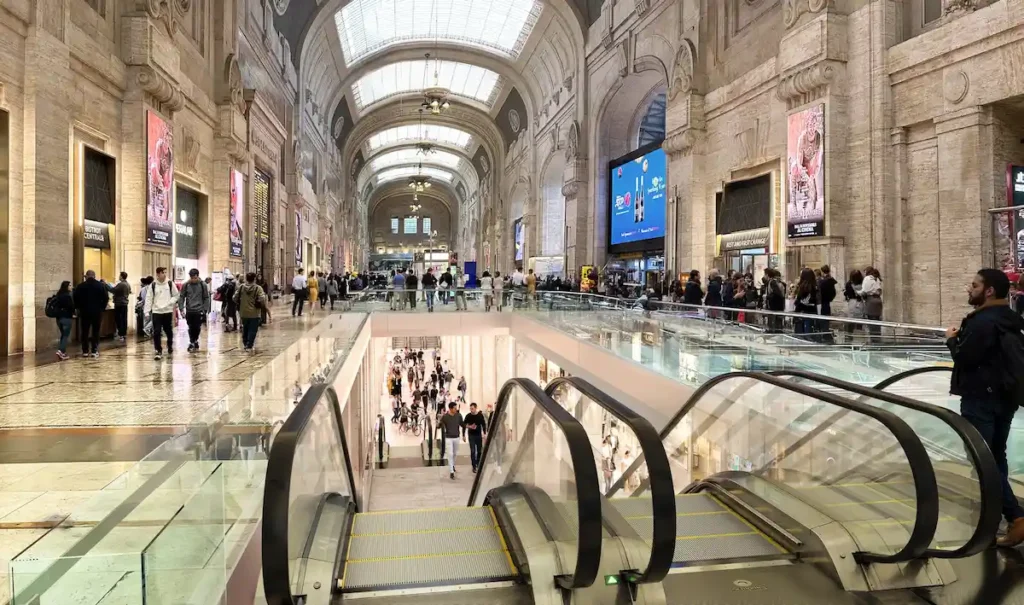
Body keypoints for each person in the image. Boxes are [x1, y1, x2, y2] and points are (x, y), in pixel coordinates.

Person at [946, 269, 1024, 546]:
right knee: (996, 455)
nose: (969, 289)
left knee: (982, 458)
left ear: (989, 291)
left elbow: (964, 359)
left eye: (974, 285)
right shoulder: (1010, 319)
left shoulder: (981, 321)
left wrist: (951, 339)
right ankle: (999, 513)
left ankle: (1016, 516)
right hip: (1005, 397)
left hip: (980, 398)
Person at [144, 267, 179, 360]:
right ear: (158, 274)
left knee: (168, 331)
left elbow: (176, 295)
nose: (165, 274)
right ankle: (158, 350)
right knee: (157, 331)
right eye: (163, 272)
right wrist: (147, 311)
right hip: (156, 311)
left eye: (165, 272)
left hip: (167, 311)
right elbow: (149, 298)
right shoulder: (153, 285)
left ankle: (170, 345)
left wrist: (170, 302)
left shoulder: (170, 283)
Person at [73, 270, 110, 358]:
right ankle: (94, 350)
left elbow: (75, 298)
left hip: (84, 312)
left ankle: (85, 351)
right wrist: (102, 308)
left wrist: (78, 308)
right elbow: (106, 298)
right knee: (96, 331)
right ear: (94, 276)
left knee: (85, 331)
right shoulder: (100, 285)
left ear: (86, 276)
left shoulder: (80, 286)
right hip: (97, 312)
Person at [235, 272, 272, 352]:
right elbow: (262, 298)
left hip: (243, 312)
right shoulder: (258, 288)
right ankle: (249, 345)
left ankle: (245, 343)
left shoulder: (241, 287)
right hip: (255, 313)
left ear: (246, 279)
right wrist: (259, 303)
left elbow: (235, 297)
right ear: (254, 279)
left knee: (245, 328)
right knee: (252, 330)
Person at [178, 269, 211, 353]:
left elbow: (206, 297)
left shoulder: (203, 285)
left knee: (197, 327)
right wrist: (181, 309)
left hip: (199, 310)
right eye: (192, 278)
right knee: (191, 327)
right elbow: (182, 297)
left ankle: (193, 341)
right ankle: (193, 341)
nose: (193, 279)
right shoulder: (186, 285)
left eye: (195, 277)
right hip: (189, 310)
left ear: (198, 276)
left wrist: (205, 309)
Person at [440, 402, 465, 480]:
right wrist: (439, 421)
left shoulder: (458, 415)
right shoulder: (445, 417)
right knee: (450, 454)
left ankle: (452, 465)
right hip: (448, 438)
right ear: (450, 409)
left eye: (456, 408)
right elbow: (439, 425)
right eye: (454, 408)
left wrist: (464, 434)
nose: (456, 409)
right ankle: (451, 471)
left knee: (455, 453)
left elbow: (462, 424)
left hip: (456, 437)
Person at [51, 281, 75, 360]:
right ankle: (60, 350)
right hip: (66, 318)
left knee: (63, 334)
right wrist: (73, 313)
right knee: (65, 335)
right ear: (66, 287)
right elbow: (71, 307)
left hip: (59, 318)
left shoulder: (58, 295)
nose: (71, 287)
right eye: (70, 285)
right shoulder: (67, 296)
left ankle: (63, 353)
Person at [793, 267, 819, 335]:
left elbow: (799, 301)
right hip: (811, 312)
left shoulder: (802, 287)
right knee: (809, 333)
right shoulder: (815, 287)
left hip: (801, 312)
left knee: (800, 334)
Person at [862, 266, 883, 341]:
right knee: (877, 321)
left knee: (872, 322)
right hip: (878, 300)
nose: (864, 274)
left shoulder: (867, 278)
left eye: (865, 272)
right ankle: (877, 339)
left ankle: (874, 341)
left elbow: (864, 291)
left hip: (871, 300)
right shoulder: (877, 278)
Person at [464, 403, 487, 473]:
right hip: (471, 435)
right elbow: (464, 424)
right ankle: (474, 466)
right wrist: (463, 434)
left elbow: (483, 424)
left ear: (476, 408)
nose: (471, 410)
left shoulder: (480, 415)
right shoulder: (468, 416)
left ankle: (478, 463)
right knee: (473, 451)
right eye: (470, 408)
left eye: (472, 408)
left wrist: (484, 433)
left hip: (478, 435)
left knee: (479, 451)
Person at [818, 265, 837, 342]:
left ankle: (825, 333)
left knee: (823, 318)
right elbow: (834, 292)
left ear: (822, 271)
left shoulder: (824, 281)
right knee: (826, 317)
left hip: (823, 301)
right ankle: (825, 332)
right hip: (827, 301)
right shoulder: (830, 280)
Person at [111, 272, 132, 342]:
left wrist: (105, 285)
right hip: (124, 304)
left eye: (119, 275)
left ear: (122, 276)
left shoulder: (121, 284)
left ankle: (121, 334)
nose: (119, 277)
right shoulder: (127, 284)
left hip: (119, 304)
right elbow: (129, 291)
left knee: (119, 319)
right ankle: (124, 334)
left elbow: (113, 290)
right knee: (124, 319)